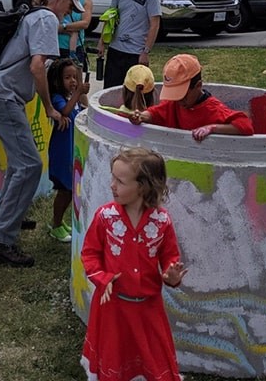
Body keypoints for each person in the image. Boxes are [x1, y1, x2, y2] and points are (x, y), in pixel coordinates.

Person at [0, 0, 84, 267]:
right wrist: (49, 107)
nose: (69, 13)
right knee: (30, 165)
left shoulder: (33, 15)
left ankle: (4, 215)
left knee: (19, 162)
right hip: (3, 96)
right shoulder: (47, 18)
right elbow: (37, 66)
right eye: (69, 6)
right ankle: (1, 240)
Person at [80, 147, 188, 381]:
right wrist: (102, 278)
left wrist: (172, 276)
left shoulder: (162, 221)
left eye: (120, 180)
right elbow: (90, 254)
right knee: (115, 361)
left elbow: (170, 256)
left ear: (143, 186)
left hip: (149, 309)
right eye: (113, 178)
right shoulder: (105, 217)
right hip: (113, 310)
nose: (112, 185)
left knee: (154, 361)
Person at [129, 54, 255, 141]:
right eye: (174, 94)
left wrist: (212, 128)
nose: (179, 100)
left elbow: (245, 126)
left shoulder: (213, 109)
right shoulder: (174, 104)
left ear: (198, 86)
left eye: (182, 95)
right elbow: (155, 113)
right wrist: (141, 116)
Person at [97, 0, 161, 89]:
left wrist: (145, 52)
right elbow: (110, 18)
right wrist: (102, 42)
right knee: (110, 90)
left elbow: (154, 24)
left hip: (135, 53)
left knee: (132, 92)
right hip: (115, 50)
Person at [46, 58, 89, 242]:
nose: (72, 81)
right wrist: (78, 92)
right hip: (61, 153)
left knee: (70, 190)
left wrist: (80, 94)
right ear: (57, 81)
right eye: (67, 77)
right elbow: (64, 112)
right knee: (65, 190)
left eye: (74, 77)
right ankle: (55, 225)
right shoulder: (57, 98)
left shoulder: (72, 98)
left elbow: (80, 110)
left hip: (71, 152)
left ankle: (60, 221)